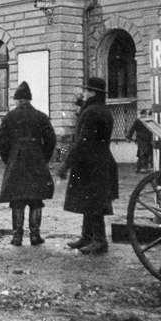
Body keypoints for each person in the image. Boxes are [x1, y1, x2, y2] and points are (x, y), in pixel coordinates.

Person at [58, 76, 119, 255]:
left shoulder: (91, 112)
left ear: (91, 92)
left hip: (92, 163)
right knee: (90, 200)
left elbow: (83, 141)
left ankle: (99, 240)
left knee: (94, 202)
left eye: (85, 90)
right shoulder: (102, 110)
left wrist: (65, 165)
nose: (82, 93)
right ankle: (87, 236)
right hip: (100, 160)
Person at [0, 81, 57, 247]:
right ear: (29, 99)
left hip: (16, 161)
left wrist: (8, 159)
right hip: (37, 159)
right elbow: (51, 140)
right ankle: (35, 235)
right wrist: (43, 157)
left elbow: (2, 141)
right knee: (36, 198)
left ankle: (17, 236)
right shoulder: (41, 116)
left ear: (17, 100)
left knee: (17, 199)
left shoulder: (9, 117)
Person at [126, 109, 154, 173]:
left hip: (141, 139)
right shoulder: (145, 121)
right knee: (144, 153)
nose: (145, 115)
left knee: (141, 153)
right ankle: (143, 168)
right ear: (142, 114)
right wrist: (129, 138)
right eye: (144, 114)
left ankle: (138, 168)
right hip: (144, 139)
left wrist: (129, 138)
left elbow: (132, 129)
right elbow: (132, 129)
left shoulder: (138, 121)